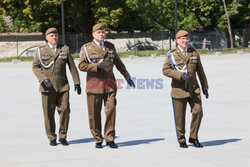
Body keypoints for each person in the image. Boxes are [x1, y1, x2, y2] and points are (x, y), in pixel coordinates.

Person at [78, 23, 135, 149]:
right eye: (99, 32)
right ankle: (98, 138)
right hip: (94, 85)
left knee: (111, 112)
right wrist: (96, 66)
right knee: (94, 114)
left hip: (110, 85)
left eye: (103, 32)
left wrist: (127, 76)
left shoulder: (110, 47)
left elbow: (119, 63)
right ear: (93, 34)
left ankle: (110, 138)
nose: (102, 34)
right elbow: (81, 66)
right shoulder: (87, 48)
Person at [32, 27, 81, 146]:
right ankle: (51, 137)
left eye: (56, 35)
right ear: (47, 37)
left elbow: (72, 67)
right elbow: (35, 67)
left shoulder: (64, 49)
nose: (54, 37)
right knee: (48, 114)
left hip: (63, 87)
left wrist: (77, 82)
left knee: (65, 111)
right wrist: (43, 80)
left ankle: (63, 136)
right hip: (47, 88)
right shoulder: (40, 51)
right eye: (51, 36)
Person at [162, 30, 209, 148]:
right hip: (179, 90)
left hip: (194, 89)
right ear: (177, 40)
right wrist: (179, 75)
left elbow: (200, 70)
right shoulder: (172, 54)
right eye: (182, 39)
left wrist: (205, 87)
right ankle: (181, 139)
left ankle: (193, 137)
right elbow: (165, 70)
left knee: (198, 111)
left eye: (187, 39)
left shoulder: (194, 53)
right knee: (180, 117)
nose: (185, 41)